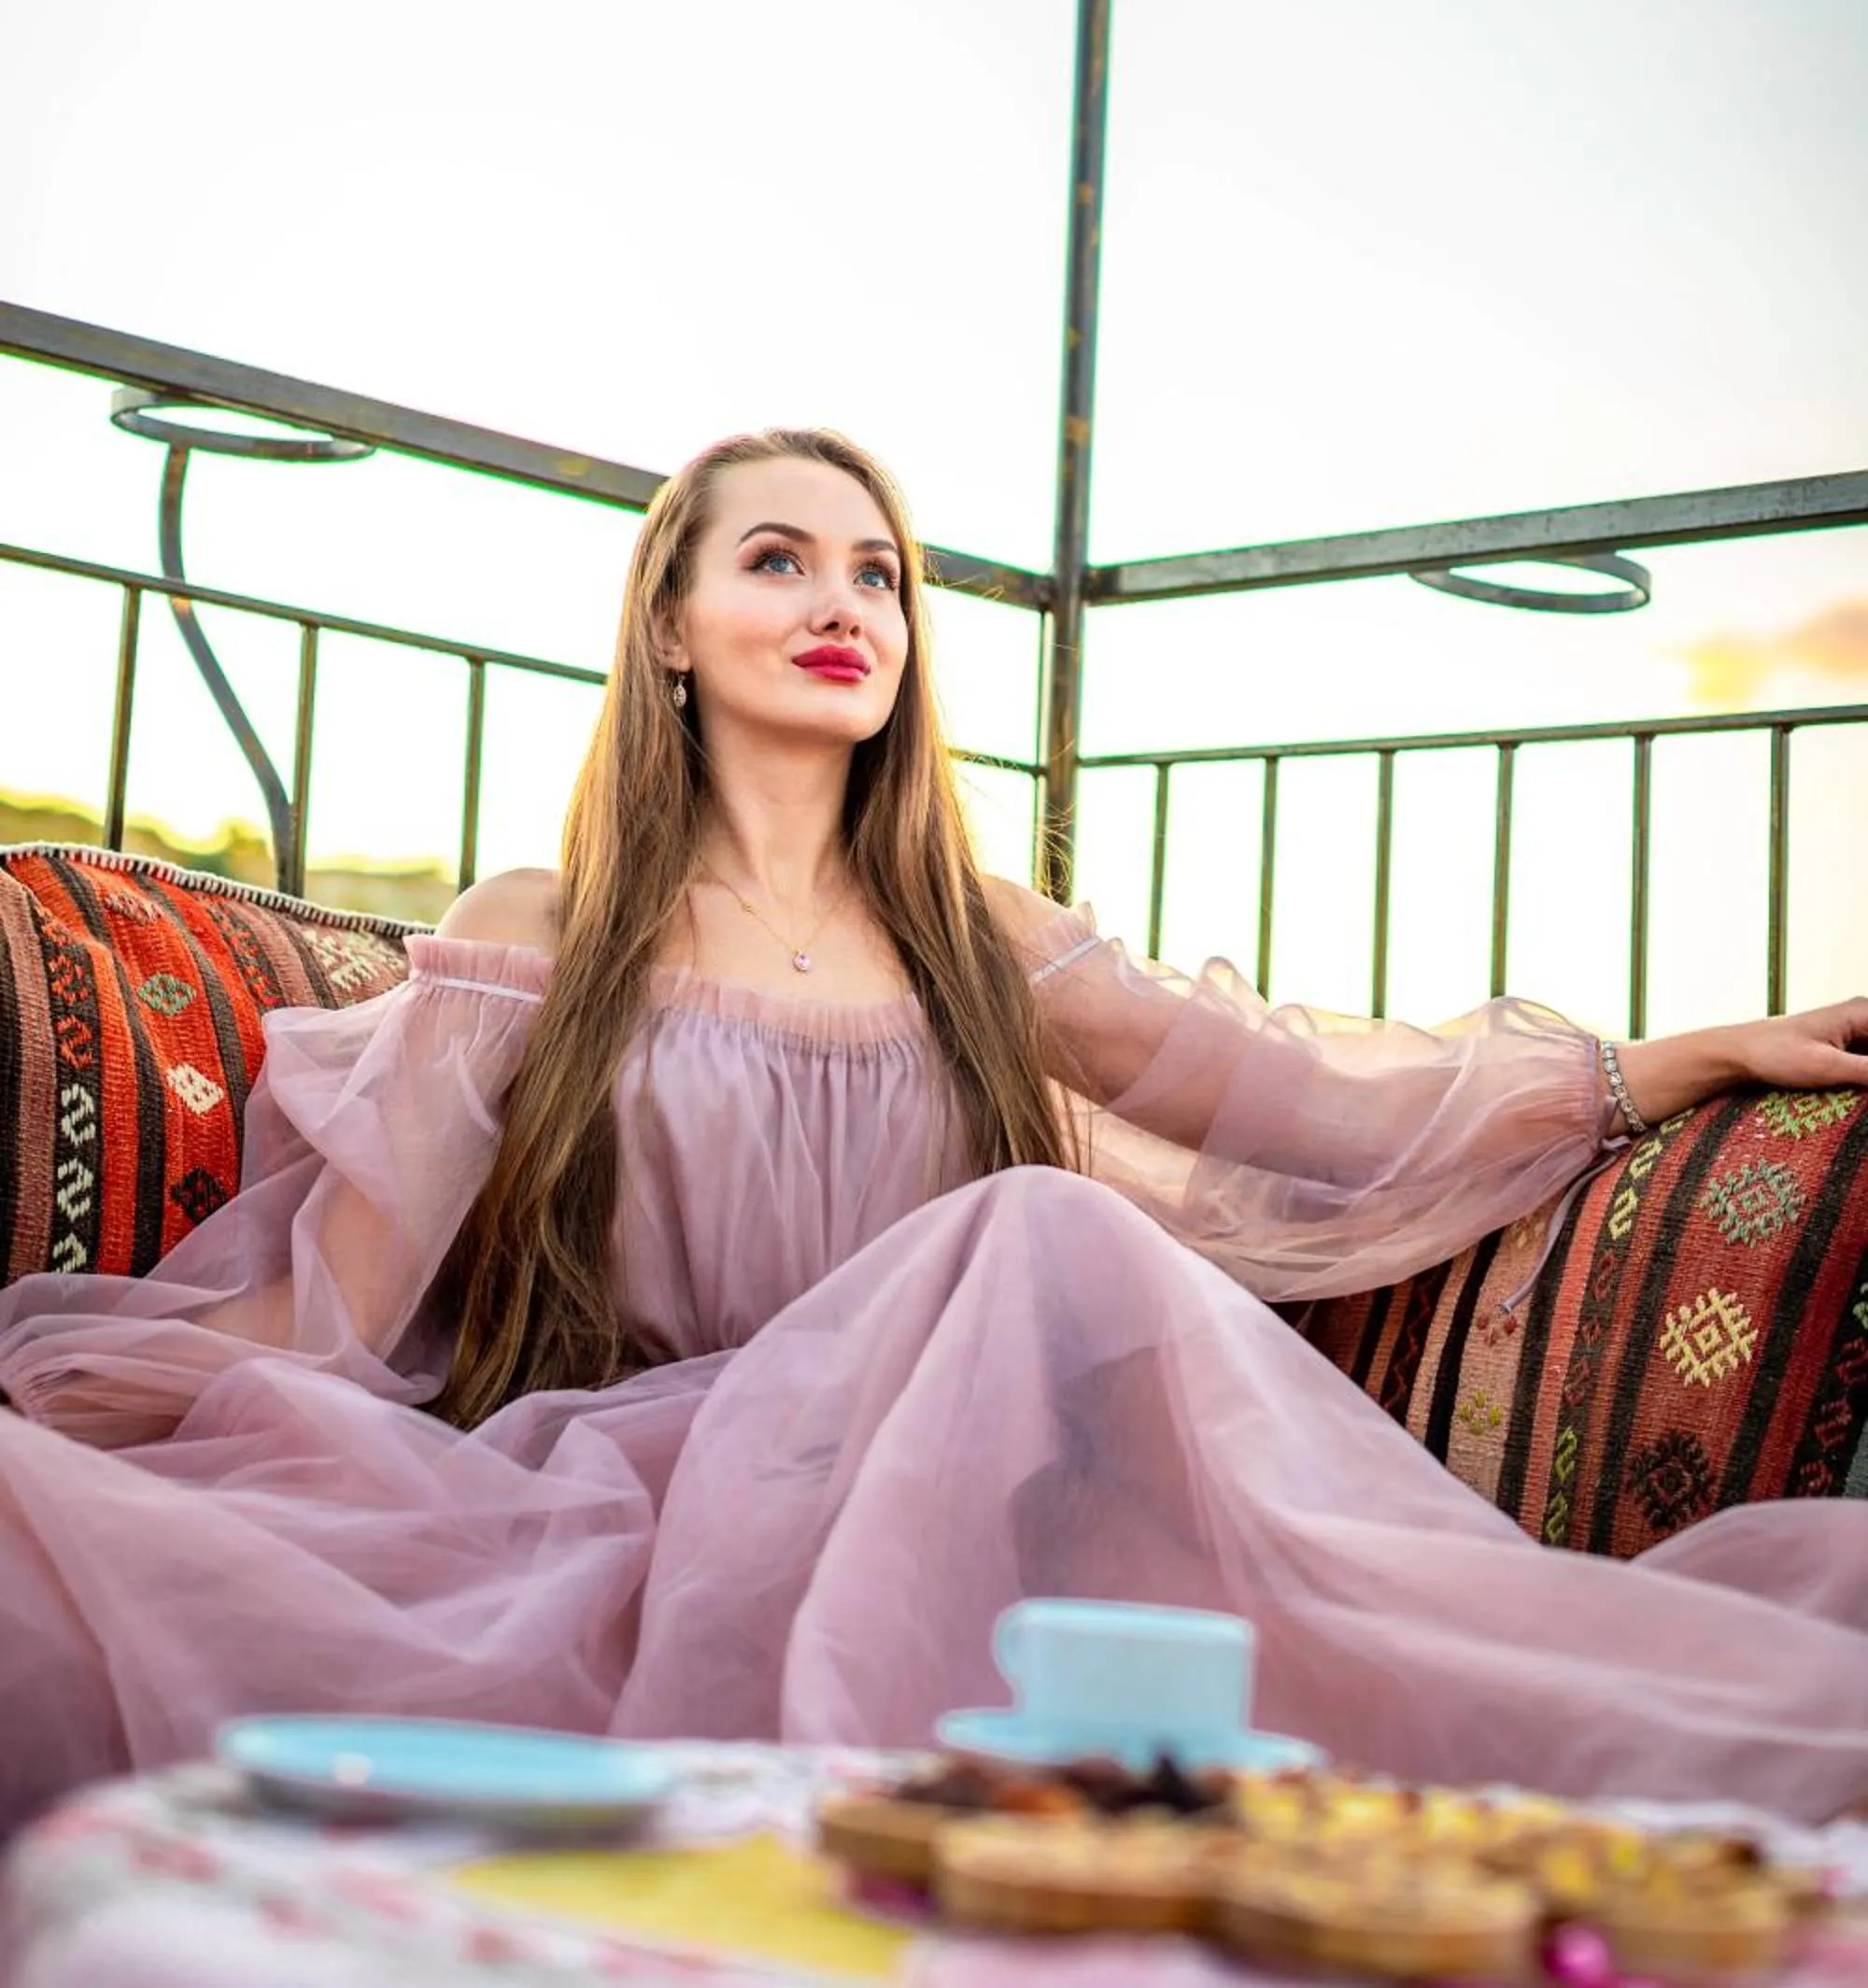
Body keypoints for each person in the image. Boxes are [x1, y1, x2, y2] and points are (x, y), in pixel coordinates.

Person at [1, 426, 1865, 1839]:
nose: (841, 607)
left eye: (879, 576)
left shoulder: (992, 941)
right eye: (782, 562)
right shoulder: (535, 941)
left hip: (961, 1492)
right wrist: (97, 1407)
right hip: (630, 1504)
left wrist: (1642, 1071)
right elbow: (339, 1301)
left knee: (1046, 1244)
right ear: (668, 622)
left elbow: (1310, 1104)